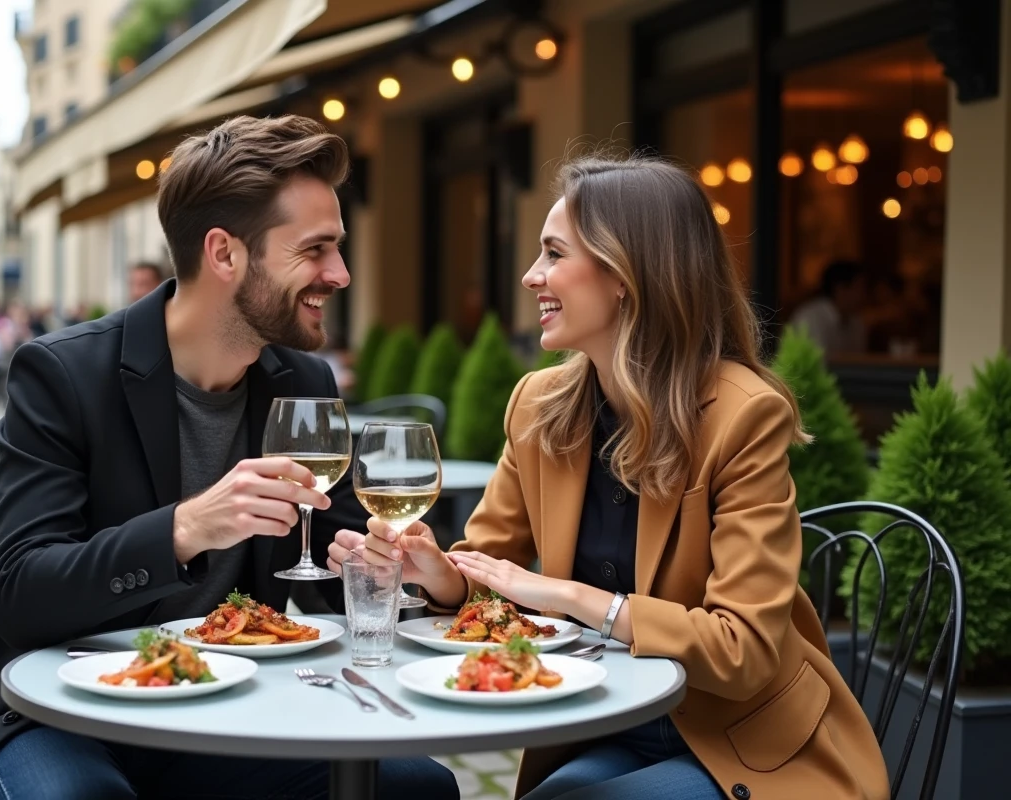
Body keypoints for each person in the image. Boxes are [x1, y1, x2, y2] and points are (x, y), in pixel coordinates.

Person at [0, 114, 459, 800]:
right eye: (316, 250)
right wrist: (184, 529)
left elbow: (324, 575)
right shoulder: (64, 373)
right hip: (51, 713)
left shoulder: (303, 384)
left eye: (338, 249)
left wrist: (398, 574)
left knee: (416, 787)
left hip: (218, 710)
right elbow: (20, 591)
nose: (340, 273)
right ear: (224, 254)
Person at [330, 156, 889, 800]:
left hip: (742, 741)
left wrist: (572, 598)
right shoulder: (539, 407)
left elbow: (744, 651)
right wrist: (441, 575)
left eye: (553, 253)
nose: (530, 275)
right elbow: (491, 573)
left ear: (624, 276)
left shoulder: (743, 416)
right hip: (609, 723)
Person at [787, 259, 867, 356]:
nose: (863, 295)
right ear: (840, 289)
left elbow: (857, 362)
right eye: (859, 288)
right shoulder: (810, 318)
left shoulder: (856, 322)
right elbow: (814, 363)